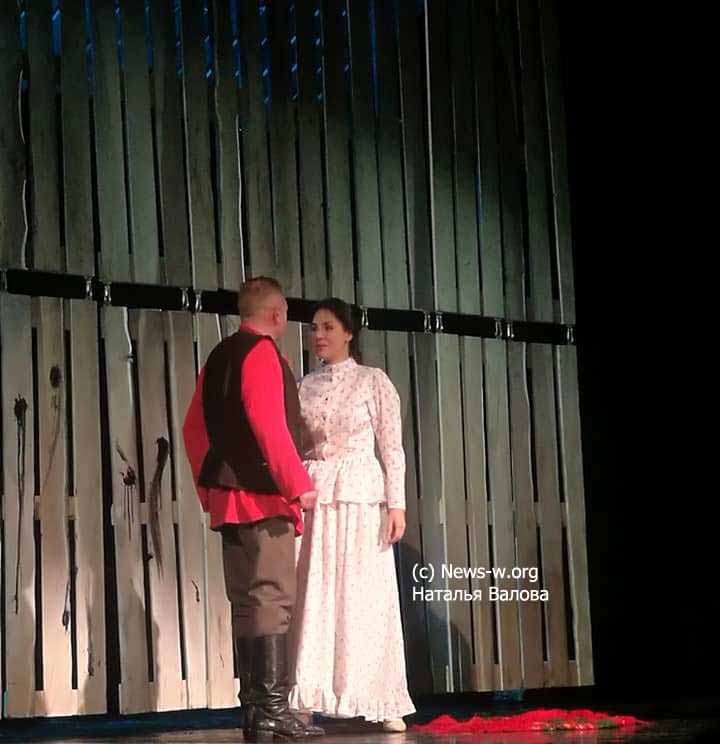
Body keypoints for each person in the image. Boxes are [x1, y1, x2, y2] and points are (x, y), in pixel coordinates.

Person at [182, 276, 324, 741]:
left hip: (228, 496)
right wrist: (296, 483)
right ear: (278, 314)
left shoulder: (219, 355)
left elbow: (193, 428)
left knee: (247, 600)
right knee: (271, 597)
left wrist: (208, 488)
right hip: (262, 495)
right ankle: (272, 711)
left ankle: (256, 711)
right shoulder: (261, 353)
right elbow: (268, 424)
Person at [288, 298, 416, 732]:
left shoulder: (372, 381)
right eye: (314, 327)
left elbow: (391, 446)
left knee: (364, 596)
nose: (318, 335)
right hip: (317, 496)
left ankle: (381, 697)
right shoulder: (304, 386)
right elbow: (295, 446)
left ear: (348, 333)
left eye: (328, 327)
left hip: (360, 497)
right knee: (316, 594)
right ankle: (307, 696)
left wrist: (396, 504)